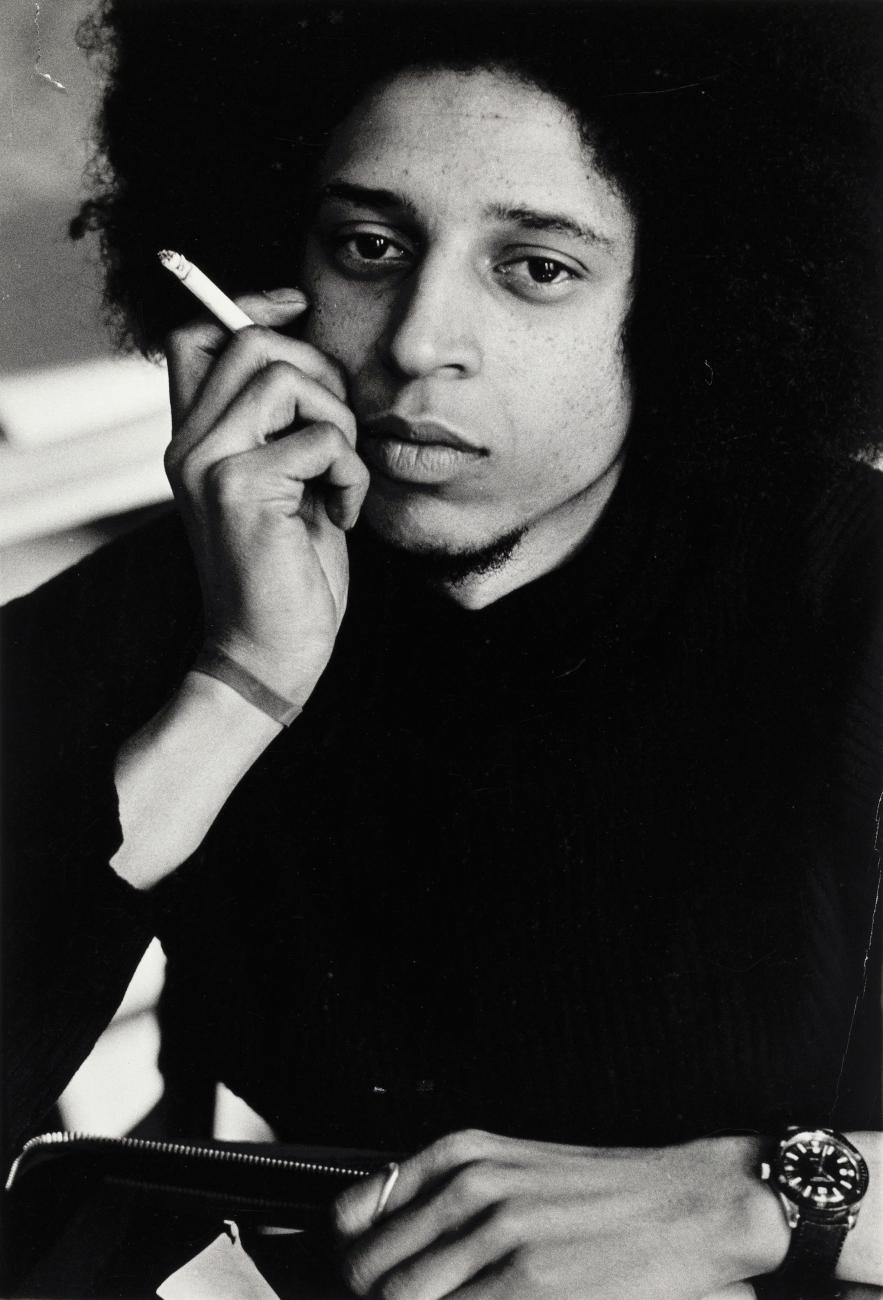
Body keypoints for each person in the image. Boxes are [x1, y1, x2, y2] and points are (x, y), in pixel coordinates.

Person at [3, 1, 882, 1295]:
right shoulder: (177, 604)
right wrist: (242, 684)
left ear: (682, 296)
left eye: (536, 268)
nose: (418, 343)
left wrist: (759, 1200)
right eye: (369, 246)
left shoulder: (851, 602)